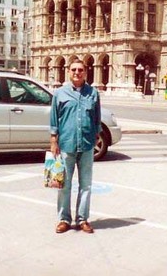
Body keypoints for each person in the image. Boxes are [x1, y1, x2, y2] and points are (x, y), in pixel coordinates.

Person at [50, 59, 101, 234]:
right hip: (66, 144)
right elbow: (54, 119)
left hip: (86, 145)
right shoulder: (59, 93)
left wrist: (95, 137)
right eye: (74, 70)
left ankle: (82, 219)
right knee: (64, 184)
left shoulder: (93, 93)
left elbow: (97, 118)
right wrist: (53, 141)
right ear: (68, 71)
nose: (77, 72)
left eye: (80, 69)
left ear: (85, 72)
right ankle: (64, 219)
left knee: (86, 185)